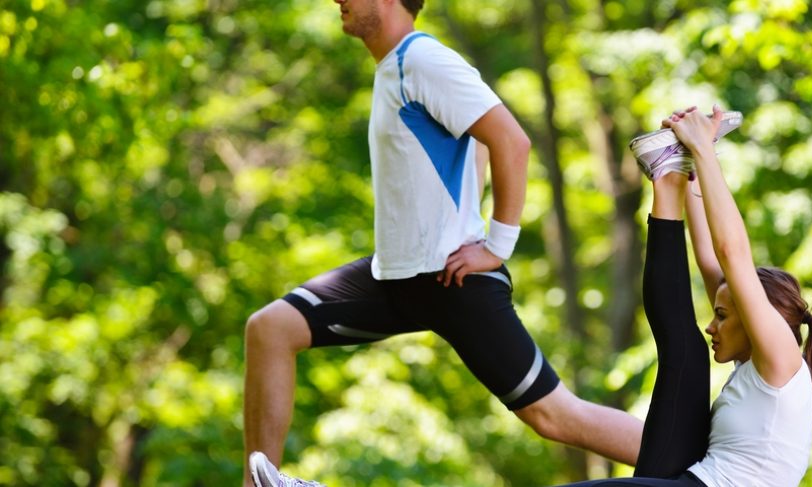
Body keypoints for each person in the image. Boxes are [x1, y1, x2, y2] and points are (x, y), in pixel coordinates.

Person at [243, 0, 645, 485]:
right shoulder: (393, 68)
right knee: (270, 329)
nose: (336, 0)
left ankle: (698, 464)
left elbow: (512, 142)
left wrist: (495, 246)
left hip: (449, 279)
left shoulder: (423, 60)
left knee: (555, 416)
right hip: (393, 279)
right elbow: (472, 144)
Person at [556, 105, 812, 487]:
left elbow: (731, 252)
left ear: (757, 319)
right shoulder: (758, 364)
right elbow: (709, 255)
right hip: (691, 476)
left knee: (688, 348)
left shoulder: (781, 360)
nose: (711, 324)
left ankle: (675, 168)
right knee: (684, 346)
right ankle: (669, 176)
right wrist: (691, 170)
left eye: (721, 315)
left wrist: (705, 149)